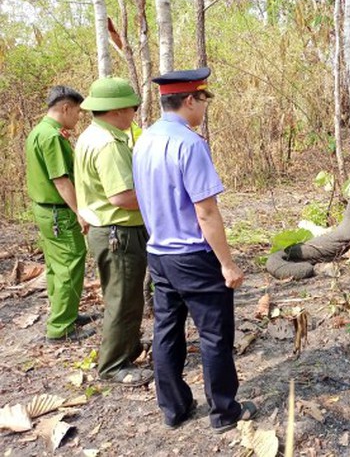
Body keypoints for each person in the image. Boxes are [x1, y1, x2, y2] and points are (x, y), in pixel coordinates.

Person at [132, 67, 257, 432]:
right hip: (192, 255)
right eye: (202, 99)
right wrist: (228, 264)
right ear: (189, 100)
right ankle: (223, 411)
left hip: (158, 253)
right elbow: (205, 211)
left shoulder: (145, 140)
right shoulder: (189, 144)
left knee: (167, 330)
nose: (204, 107)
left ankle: (174, 408)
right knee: (215, 334)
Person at [74, 77, 153, 387]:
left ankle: (128, 347)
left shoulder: (92, 135)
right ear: (118, 110)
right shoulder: (108, 144)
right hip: (118, 230)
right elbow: (121, 196)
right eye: (132, 108)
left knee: (126, 295)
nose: (133, 114)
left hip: (109, 229)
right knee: (122, 298)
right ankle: (113, 365)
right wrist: (158, 199)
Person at [25, 86, 93, 342]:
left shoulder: (39, 131)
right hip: (58, 212)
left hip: (45, 210)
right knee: (69, 263)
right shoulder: (51, 136)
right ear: (65, 108)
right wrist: (80, 212)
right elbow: (61, 180)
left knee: (56, 265)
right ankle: (61, 327)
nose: (77, 117)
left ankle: (65, 313)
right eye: (77, 112)